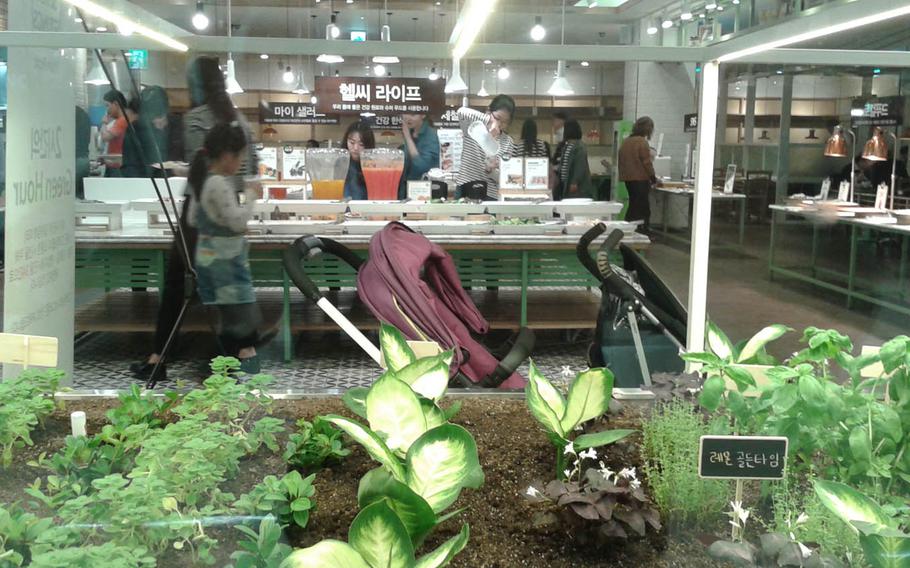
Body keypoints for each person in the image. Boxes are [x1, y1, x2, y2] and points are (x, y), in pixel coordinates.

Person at [130, 56, 258, 382]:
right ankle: (243, 354)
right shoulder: (240, 120)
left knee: (177, 283)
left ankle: (160, 357)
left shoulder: (196, 120)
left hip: (199, 212)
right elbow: (249, 171)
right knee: (226, 285)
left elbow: (201, 169)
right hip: (231, 210)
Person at [187, 123, 263, 374]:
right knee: (244, 319)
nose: (241, 162)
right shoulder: (219, 183)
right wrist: (252, 196)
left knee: (229, 319)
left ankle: (229, 368)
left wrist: (223, 227)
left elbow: (192, 219)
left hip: (209, 259)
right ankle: (233, 371)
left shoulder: (203, 180)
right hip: (226, 264)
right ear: (229, 156)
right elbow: (238, 221)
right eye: (240, 156)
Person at [456, 94, 516, 200]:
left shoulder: (508, 142)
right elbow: (461, 111)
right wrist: (489, 120)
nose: (500, 124)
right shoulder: (474, 127)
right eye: (498, 118)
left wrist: (492, 171)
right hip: (465, 186)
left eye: (505, 122)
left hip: (490, 194)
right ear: (489, 111)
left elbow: (506, 178)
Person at [618, 116, 658, 233]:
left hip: (628, 179)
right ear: (648, 129)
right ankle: (643, 230)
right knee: (643, 208)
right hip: (640, 179)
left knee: (633, 205)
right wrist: (653, 177)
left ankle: (627, 229)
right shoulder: (642, 142)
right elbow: (646, 162)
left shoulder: (626, 142)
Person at [399, 113, 440, 199]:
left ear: (423, 115)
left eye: (413, 115)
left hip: (424, 192)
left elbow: (422, 166)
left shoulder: (431, 135)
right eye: (405, 113)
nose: (408, 118)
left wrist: (407, 138)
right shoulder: (411, 132)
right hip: (406, 192)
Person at [557, 119, 595, 199]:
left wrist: (575, 182)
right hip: (566, 184)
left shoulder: (579, 146)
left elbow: (580, 165)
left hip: (576, 187)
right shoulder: (567, 145)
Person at [342, 121, 375, 200]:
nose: (356, 148)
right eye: (352, 142)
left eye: (361, 144)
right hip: (344, 210)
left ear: (368, 145)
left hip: (367, 209)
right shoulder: (341, 162)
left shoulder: (373, 165)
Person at [100, 89, 128, 176]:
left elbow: (105, 137)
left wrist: (104, 123)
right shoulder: (120, 120)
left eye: (107, 106)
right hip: (115, 165)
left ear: (116, 104)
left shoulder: (122, 121)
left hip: (117, 167)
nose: (107, 110)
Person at [551, 111, 570, 198]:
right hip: (560, 175)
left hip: (561, 176)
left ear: (561, 121)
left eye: (555, 120)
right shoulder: (560, 134)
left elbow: (562, 157)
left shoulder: (563, 135)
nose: (553, 123)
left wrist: (554, 167)